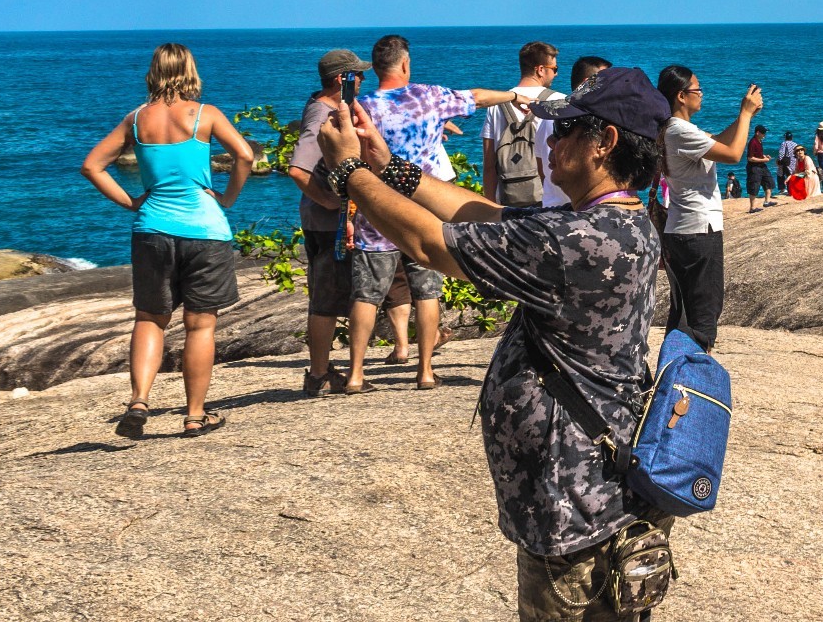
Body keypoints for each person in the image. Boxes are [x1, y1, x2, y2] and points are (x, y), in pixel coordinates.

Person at [312, 66, 675, 622]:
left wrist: (350, 172)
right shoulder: (613, 222)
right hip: (594, 488)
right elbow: (490, 214)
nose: (550, 139)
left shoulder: (578, 239)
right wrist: (387, 166)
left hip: (571, 502)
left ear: (603, 142)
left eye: (569, 127)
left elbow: (430, 244)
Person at [81, 44, 255, 438]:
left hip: (152, 229)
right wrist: (226, 199)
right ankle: (195, 416)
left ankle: (139, 401)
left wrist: (132, 202)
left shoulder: (136, 120)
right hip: (206, 232)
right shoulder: (204, 115)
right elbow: (244, 155)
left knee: (149, 319)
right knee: (199, 325)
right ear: (190, 71)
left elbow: (92, 165)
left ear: (154, 73)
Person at [350, 34, 529, 392]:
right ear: (405, 64)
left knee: (367, 293)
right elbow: (476, 97)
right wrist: (513, 96)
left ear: (376, 67)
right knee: (427, 290)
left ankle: (355, 374)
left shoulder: (361, 106)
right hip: (425, 204)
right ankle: (426, 371)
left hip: (378, 209)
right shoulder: (428, 97)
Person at [284, 48, 372, 397]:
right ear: (342, 79)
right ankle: (318, 373)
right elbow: (298, 169)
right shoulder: (322, 113)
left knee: (337, 296)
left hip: (331, 221)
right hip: (327, 224)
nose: (364, 80)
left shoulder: (335, 109)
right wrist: (333, 204)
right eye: (358, 75)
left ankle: (323, 370)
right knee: (326, 300)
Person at [657, 65, 762, 351]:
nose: (701, 95)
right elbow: (733, 154)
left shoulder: (676, 129)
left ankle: (673, 378)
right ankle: (693, 382)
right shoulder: (679, 131)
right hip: (698, 231)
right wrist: (745, 113)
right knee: (703, 314)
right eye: (697, 90)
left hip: (683, 228)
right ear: (681, 96)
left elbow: (718, 142)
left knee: (684, 314)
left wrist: (745, 118)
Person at [482, 42, 574, 208]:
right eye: (554, 69)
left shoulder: (497, 104)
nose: (556, 74)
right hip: (548, 202)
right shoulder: (560, 101)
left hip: (507, 202)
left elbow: (489, 165)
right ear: (540, 70)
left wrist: (490, 210)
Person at [744, 124, 773, 211]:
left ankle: (767, 201)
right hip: (754, 167)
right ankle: (752, 208)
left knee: (769, 182)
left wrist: (764, 156)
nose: (764, 134)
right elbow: (750, 158)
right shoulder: (752, 142)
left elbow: (758, 154)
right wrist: (764, 160)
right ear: (757, 133)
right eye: (763, 133)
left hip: (761, 166)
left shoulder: (759, 141)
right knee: (754, 186)